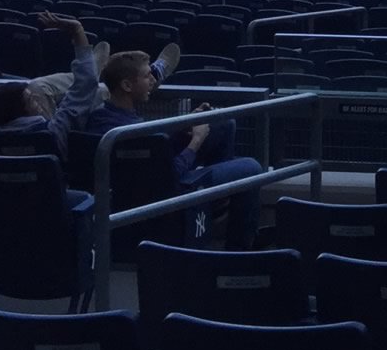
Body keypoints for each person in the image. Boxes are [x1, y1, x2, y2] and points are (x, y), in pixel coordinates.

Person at [86, 49, 260, 249]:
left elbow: (155, 152)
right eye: (146, 76)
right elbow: (171, 174)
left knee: (223, 125)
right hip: (168, 191)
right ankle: (239, 248)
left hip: (152, 177)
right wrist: (196, 140)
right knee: (251, 168)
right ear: (126, 85)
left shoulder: (101, 117)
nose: (153, 80)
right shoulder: (134, 134)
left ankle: (211, 206)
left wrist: (184, 125)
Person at [0, 13, 101, 157]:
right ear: (20, 114)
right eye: (30, 100)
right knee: (99, 90)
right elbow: (86, 84)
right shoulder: (54, 132)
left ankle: (98, 65)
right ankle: (98, 66)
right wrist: (77, 30)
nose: (35, 98)